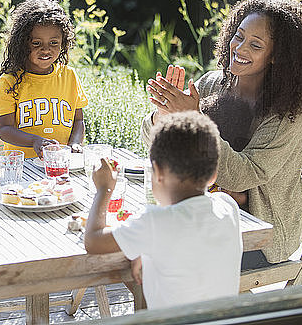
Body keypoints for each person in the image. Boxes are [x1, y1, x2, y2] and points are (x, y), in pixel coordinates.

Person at [141, 0, 302, 269]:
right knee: (140, 237)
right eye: (238, 35)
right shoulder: (214, 83)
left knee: (159, 252)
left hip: (263, 234)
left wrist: (193, 118)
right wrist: (164, 116)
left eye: (255, 45)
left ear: (276, 57)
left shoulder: (286, 115)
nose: (239, 48)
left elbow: (241, 177)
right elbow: (149, 140)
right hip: (205, 213)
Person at [85, 111, 242, 310]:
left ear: (157, 172)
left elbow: (93, 241)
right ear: (213, 176)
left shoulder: (154, 222)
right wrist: (148, 248)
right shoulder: (228, 207)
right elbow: (185, 238)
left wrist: (103, 189)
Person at [0, 0, 88, 158]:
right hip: (22, 167)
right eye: (36, 43)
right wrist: (35, 141)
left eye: (54, 43)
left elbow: (78, 121)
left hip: (59, 163)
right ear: (22, 43)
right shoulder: (9, 82)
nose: (46, 50)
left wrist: (75, 143)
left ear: (63, 43)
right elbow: (4, 130)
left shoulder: (69, 76)